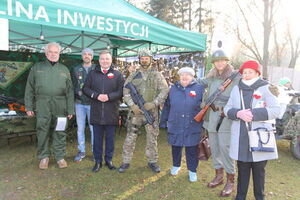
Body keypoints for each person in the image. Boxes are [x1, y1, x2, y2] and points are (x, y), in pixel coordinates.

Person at [224, 60, 280, 200]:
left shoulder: (267, 88)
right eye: (244, 72)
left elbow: (275, 110)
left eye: (250, 72)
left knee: (259, 172)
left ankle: (259, 197)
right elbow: (227, 109)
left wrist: (253, 115)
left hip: (260, 136)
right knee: (242, 170)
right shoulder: (236, 88)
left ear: (257, 73)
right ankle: (240, 196)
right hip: (241, 137)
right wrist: (238, 113)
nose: (246, 75)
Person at [24, 42, 74, 169]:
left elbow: (70, 91)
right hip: (42, 104)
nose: (53, 54)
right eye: (50, 52)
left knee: (60, 130)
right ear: (46, 53)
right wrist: (29, 106)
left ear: (59, 53)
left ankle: (60, 157)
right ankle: (44, 157)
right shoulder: (37, 68)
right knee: (42, 131)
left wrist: (70, 109)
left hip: (60, 104)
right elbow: (29, 88)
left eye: (55, 52)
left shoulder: (64, 69)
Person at [197, 50, 240, 197]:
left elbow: (250, 84)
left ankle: (230, 179)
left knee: (225, 148)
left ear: (227, 61)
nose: (219, 63)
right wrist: (184, 77)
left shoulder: (236, 77)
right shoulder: (211, 76)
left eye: (222, 60)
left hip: (226, 117)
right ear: (213, 63)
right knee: (214, 147)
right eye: (216, 61)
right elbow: (198, 82)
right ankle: (219, 175)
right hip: (211, 117)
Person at [118, 49, 169, 173]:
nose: (144, 59)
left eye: (146, 57)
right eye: (142, 58)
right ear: (139, 60)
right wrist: (132, 106)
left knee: (152, 137)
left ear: (151, 59)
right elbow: (125, 91)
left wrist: (154, 103)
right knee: (131, 136)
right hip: (135, 113)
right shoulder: (133, 75)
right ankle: (125, 161)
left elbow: (165, 90)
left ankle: (152, 161)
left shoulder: (157, 74)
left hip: (151, 112)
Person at [160, 67, 204, 182]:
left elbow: (204, 107)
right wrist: (163, 121)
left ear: (192, 76)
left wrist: (204, 124)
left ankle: (192, 171)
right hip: (176, 123)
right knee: (176, 146)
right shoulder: (173, 89)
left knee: (192, 149)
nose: (185, 77)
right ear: (179, 77)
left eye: (188, 75)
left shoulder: (199, 89)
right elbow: (167, 106)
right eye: (182, 75)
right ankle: (176, 165)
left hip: (192, 124)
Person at [83, 50, 124, 172]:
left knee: (110, 139)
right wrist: (96, 96)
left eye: (107, 59)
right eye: (102, 59)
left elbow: (121, 91)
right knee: (97, 139)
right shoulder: (92, 74)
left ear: (111, 60)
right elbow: (85, 88)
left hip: (111, 112)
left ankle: (109, 160)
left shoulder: (117, 74)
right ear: (99, 60)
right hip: (96, 112)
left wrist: (109, 97)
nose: (105, 61)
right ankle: (98, 161)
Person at [72, 48, 96, 162]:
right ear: (82, 56)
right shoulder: (76, 69)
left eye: (89, 54)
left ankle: (95, 151)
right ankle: (81, 151)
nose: (86, 56)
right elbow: (72, 85)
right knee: (80, 129)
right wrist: (77, 93)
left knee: (93, 129)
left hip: (93, 104)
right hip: (79, 103)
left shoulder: (97, 68)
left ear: (92, 56)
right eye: (84, 54)